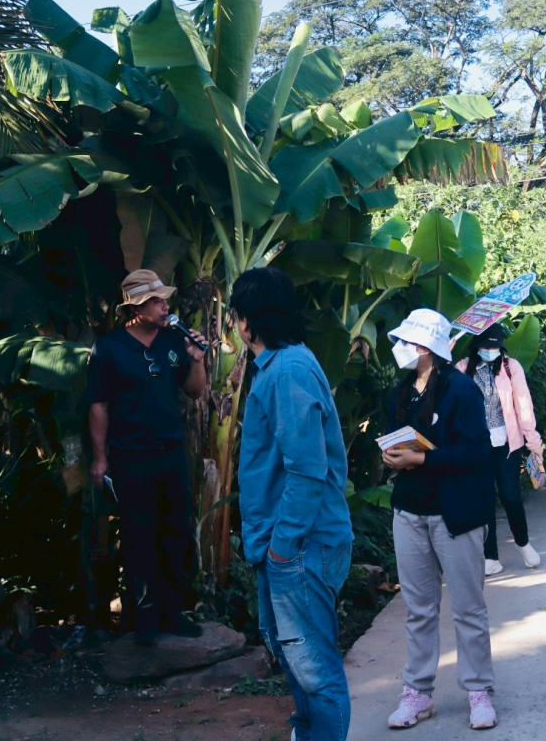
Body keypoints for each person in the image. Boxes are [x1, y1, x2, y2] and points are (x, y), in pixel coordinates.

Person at [230, 267, 354, 741]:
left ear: (246, 322)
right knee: (297, 663)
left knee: (315, 670)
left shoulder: (287, 371)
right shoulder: (282, 367)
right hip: (286, 546)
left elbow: (307, 470)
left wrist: (283, 547)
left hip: (300, 546)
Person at [382, 309, 498, 731]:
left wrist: (424, 459)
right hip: (409, 510)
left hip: (456, 513)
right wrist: (394, 456)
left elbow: (478, 452)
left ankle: (479, 691)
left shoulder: (462, 391)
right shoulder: (400, 392)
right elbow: (394, 438)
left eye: (408, 342)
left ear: (428, 348)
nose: (402, 349)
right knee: (418, 610)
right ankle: (417, 693)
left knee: (468, 607)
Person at [86, 269, 207, 646]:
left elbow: (194, 393)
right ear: (135, 308)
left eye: (163, 299)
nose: (164, 305)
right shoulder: (109, 348)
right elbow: (98, 405)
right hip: (130, 456)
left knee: (175, 533)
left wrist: (197, 358)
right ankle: (145, 619)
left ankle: (174, 612)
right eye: (156, 300)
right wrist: (100, 458)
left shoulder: (174, 339)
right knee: (140, 537)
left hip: (170, 452)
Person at [455, 324, 543, 576]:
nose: (491, 351)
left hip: (507, 444)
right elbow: (445, 390)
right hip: (476, 446)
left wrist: (533, 442)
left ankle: (522, 542)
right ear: (476, 348)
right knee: (483, 501)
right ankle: (490, 555)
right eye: (486, 347)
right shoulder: (462, 369)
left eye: (495, 347)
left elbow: (523, 405)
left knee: (511, 496)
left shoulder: (510, 367)